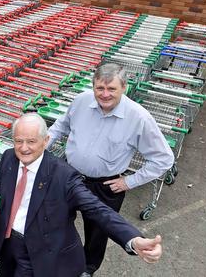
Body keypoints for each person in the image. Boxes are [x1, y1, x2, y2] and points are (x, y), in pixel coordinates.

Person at [0, 113, 163, 277]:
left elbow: (97, 210)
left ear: (46, 140)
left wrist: (133, 239)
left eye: (31, 141)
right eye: (19, 141)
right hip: (7, 243)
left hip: (38, 250)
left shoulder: (64, 175)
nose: (24, 148)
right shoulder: (9, 157)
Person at [46, 63, 174, 276]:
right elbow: (61, 126)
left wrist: (129, 182)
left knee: (97, 231)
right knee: (56, 217)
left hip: (104, 186)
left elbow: (163, 158)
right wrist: (40, 147)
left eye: (111, 89)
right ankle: (57, 256)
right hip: (70, 176)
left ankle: (87, 269)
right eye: (99, 88)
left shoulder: (139, 118)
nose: (104, 95)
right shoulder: (81, 101)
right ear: (93, 86)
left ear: (124, 87)